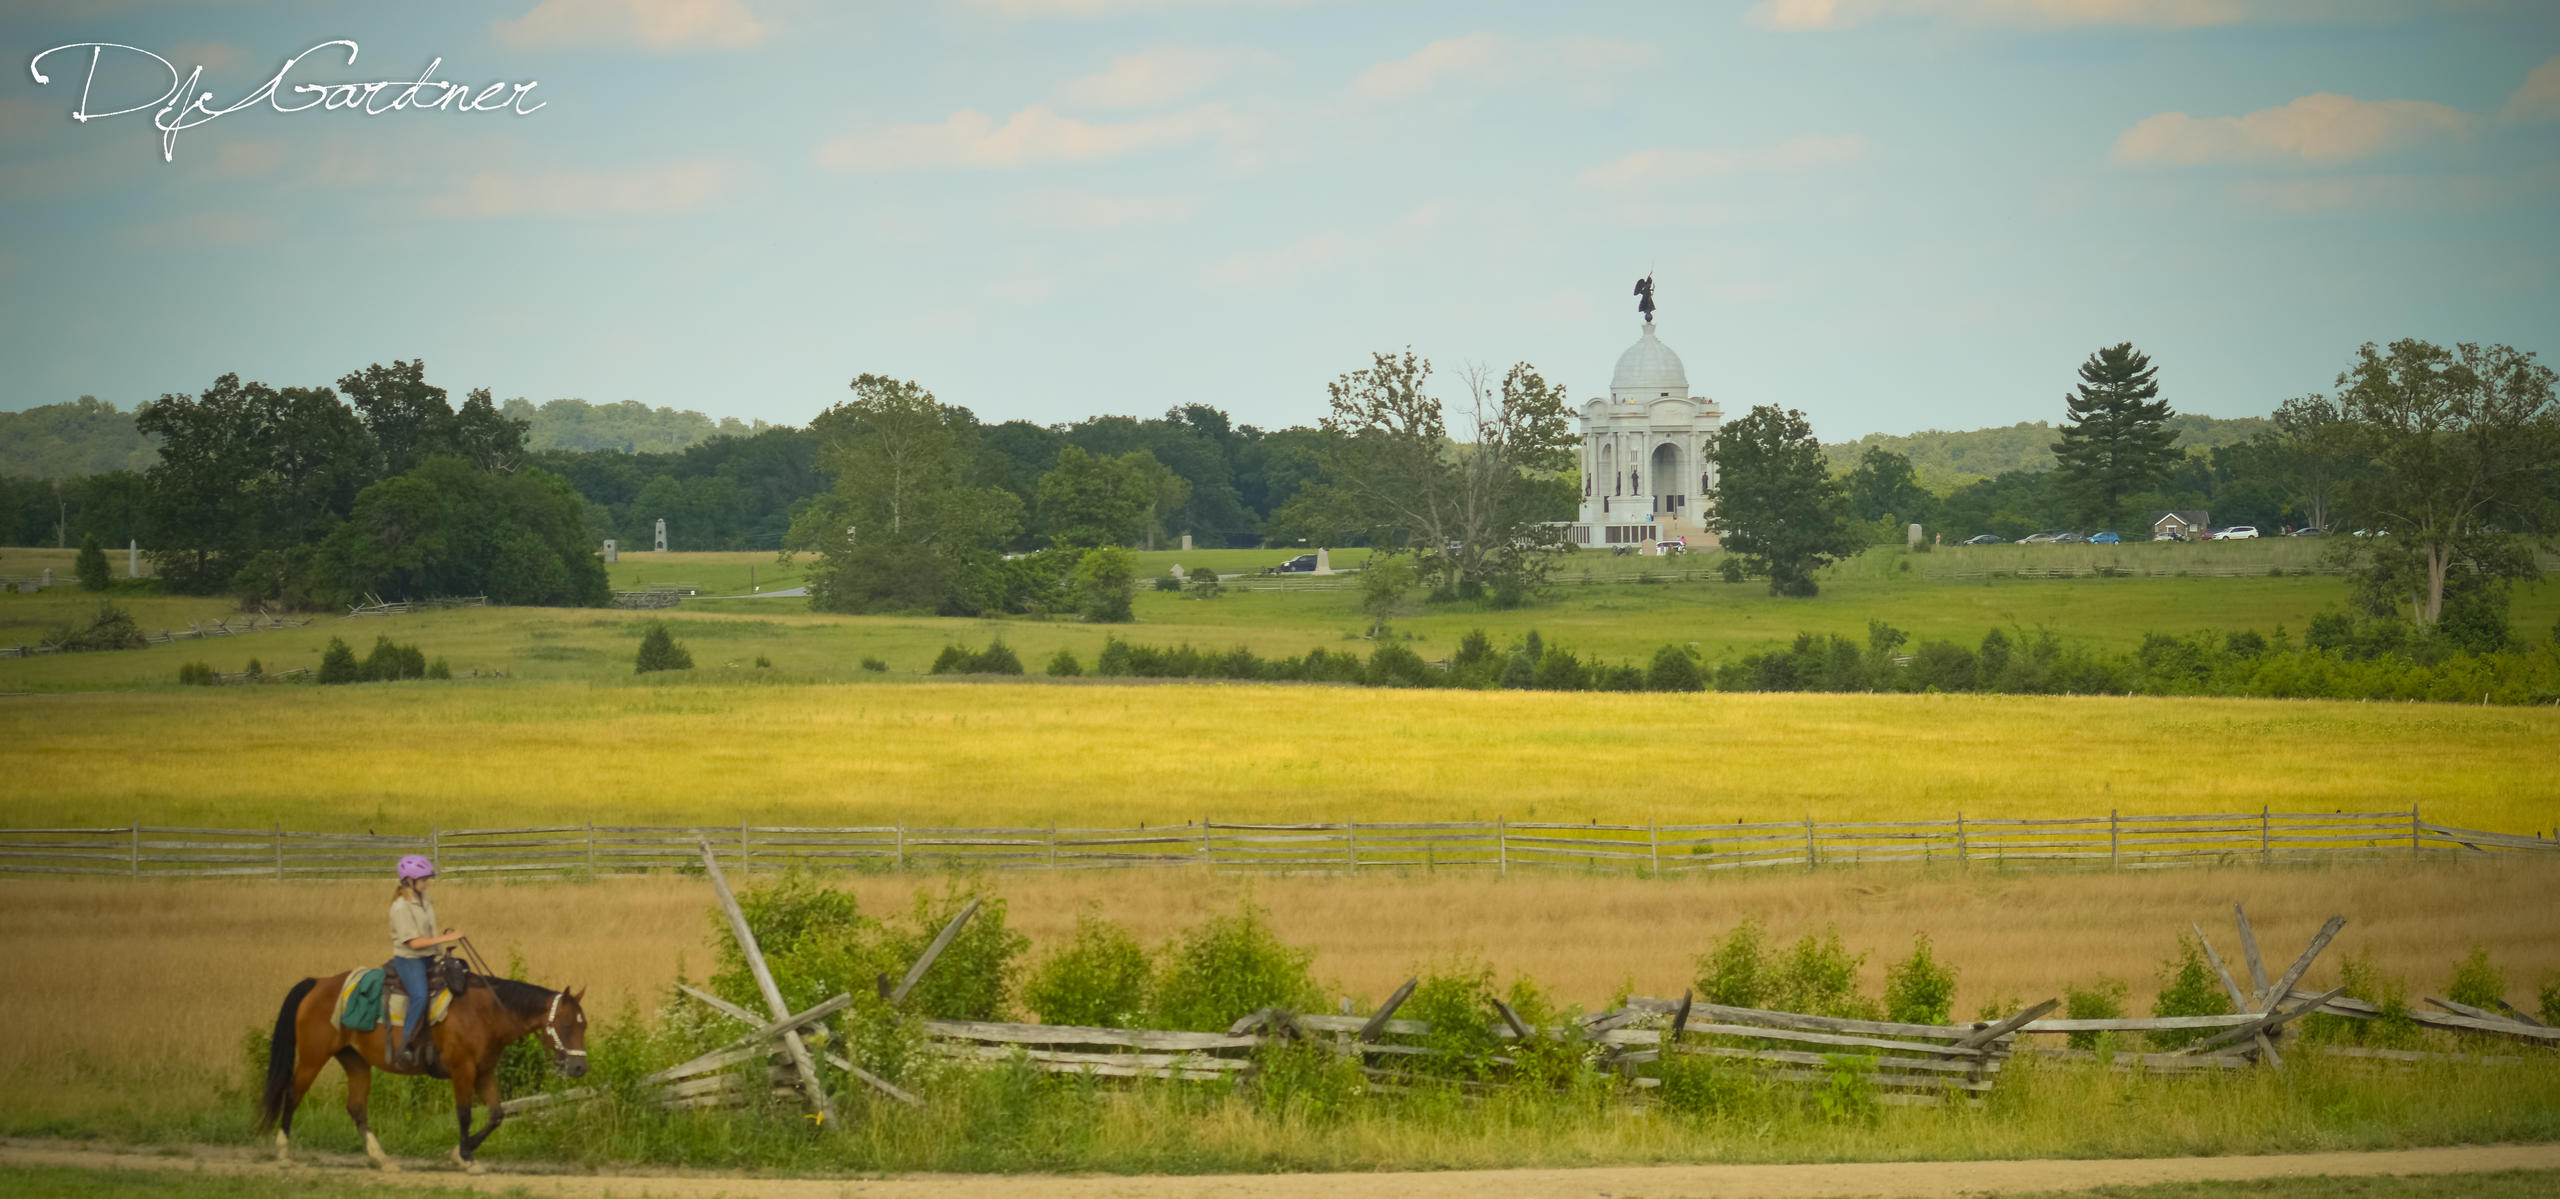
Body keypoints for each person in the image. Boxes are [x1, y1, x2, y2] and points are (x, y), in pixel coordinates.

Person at [389, 855, 463, 1068]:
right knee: (420, 996)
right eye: (423, 879)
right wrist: (445, 938)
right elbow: (414, 943)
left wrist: (441, 945)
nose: (426, 883)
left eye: (427, 879)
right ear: (409, 881)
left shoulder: (424, 900)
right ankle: (405, 1045)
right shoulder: (401, 907)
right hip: (410, 960)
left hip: (429, 957)